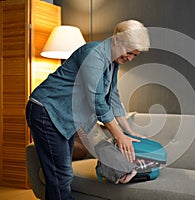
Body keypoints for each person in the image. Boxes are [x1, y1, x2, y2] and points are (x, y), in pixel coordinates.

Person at [25, 19, 150, 200]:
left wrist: (130, 132)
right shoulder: (93, 54)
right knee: (61, 176)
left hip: (64, 118)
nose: (130, 58)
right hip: (47, 111)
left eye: (135, 55)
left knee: (60, 175)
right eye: (128, 52)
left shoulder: (113, 63)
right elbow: (97, 101)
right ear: (116, 40)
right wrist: (119, 136)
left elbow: (113, 99)